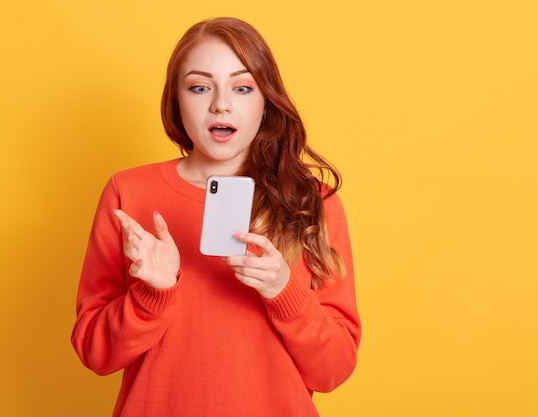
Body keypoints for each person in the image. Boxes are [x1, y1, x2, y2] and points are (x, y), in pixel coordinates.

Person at [71, 17, 361, 417]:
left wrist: (284, 292)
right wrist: (151, 295)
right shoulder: (128, 193)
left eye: (242, 88)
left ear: (265, 103)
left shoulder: (311, 201)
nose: (220, 104)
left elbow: (334, 370)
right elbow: (94, 352)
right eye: (200, 87)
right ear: (176, 100)